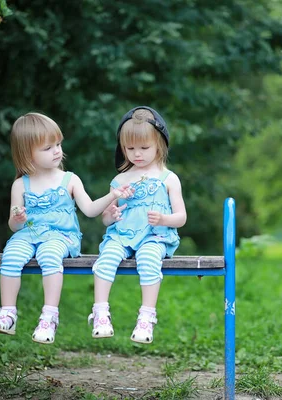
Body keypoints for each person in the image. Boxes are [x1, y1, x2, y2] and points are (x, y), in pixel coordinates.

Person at [0, 112, 133, 344]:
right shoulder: (20, 184)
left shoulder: (70, 180)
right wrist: (19, 217)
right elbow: (14, 226)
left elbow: (90, 210)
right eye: (47, 148)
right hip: (29, 234)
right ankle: (7, 314)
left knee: (49, 254)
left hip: (61, 237)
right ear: (27, 153)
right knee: (11, 255)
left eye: (58, 144)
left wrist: (112, 196)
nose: (57, 151)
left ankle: (49, 317)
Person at [89, 106, 187, 344]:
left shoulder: (168, 178)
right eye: (130, 149)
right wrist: (110, 214)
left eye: (144, 148)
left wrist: (164, 219)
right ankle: (100, 312)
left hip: (154, 237)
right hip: (122, 235)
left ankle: (146, 317)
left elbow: (181, 217)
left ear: (159, 145)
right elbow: (106, 219)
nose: (137, 154)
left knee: (149, 259)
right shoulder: (120, 179)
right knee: (107, 257)